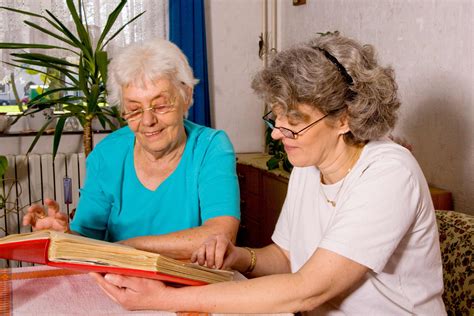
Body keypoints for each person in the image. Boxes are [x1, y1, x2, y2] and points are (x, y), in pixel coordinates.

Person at [91, 33, 446, 314]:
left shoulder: (388, 173)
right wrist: (239, 257)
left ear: (344, 119)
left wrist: (159, 300)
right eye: (277, 118)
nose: (277, 134)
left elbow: (308, 289)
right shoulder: (311, 163)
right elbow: (287, 257)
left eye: (294, 124)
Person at [22, 39, 240, 259]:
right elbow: (86, 239)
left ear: (187, 96)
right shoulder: (108, 153)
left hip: (192, 287)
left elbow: (221, 236)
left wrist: (127, 247)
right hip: (120, 285)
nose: (147, 121)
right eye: (134, 110)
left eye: (161, 105)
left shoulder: (212, 147)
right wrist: (63, 235)